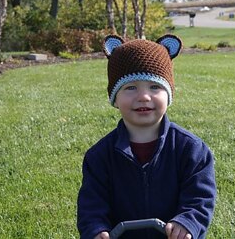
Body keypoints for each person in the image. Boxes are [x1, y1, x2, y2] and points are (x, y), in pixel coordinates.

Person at [77, 34, 217, 239]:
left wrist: (187, 222)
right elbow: (91, 204)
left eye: (155, 87)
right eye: (130, 87)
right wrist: (96, 229)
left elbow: (200, 198)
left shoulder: (192, 150)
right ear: (115, 98)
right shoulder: (99, 156)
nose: (143, 96)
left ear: (168, 96)